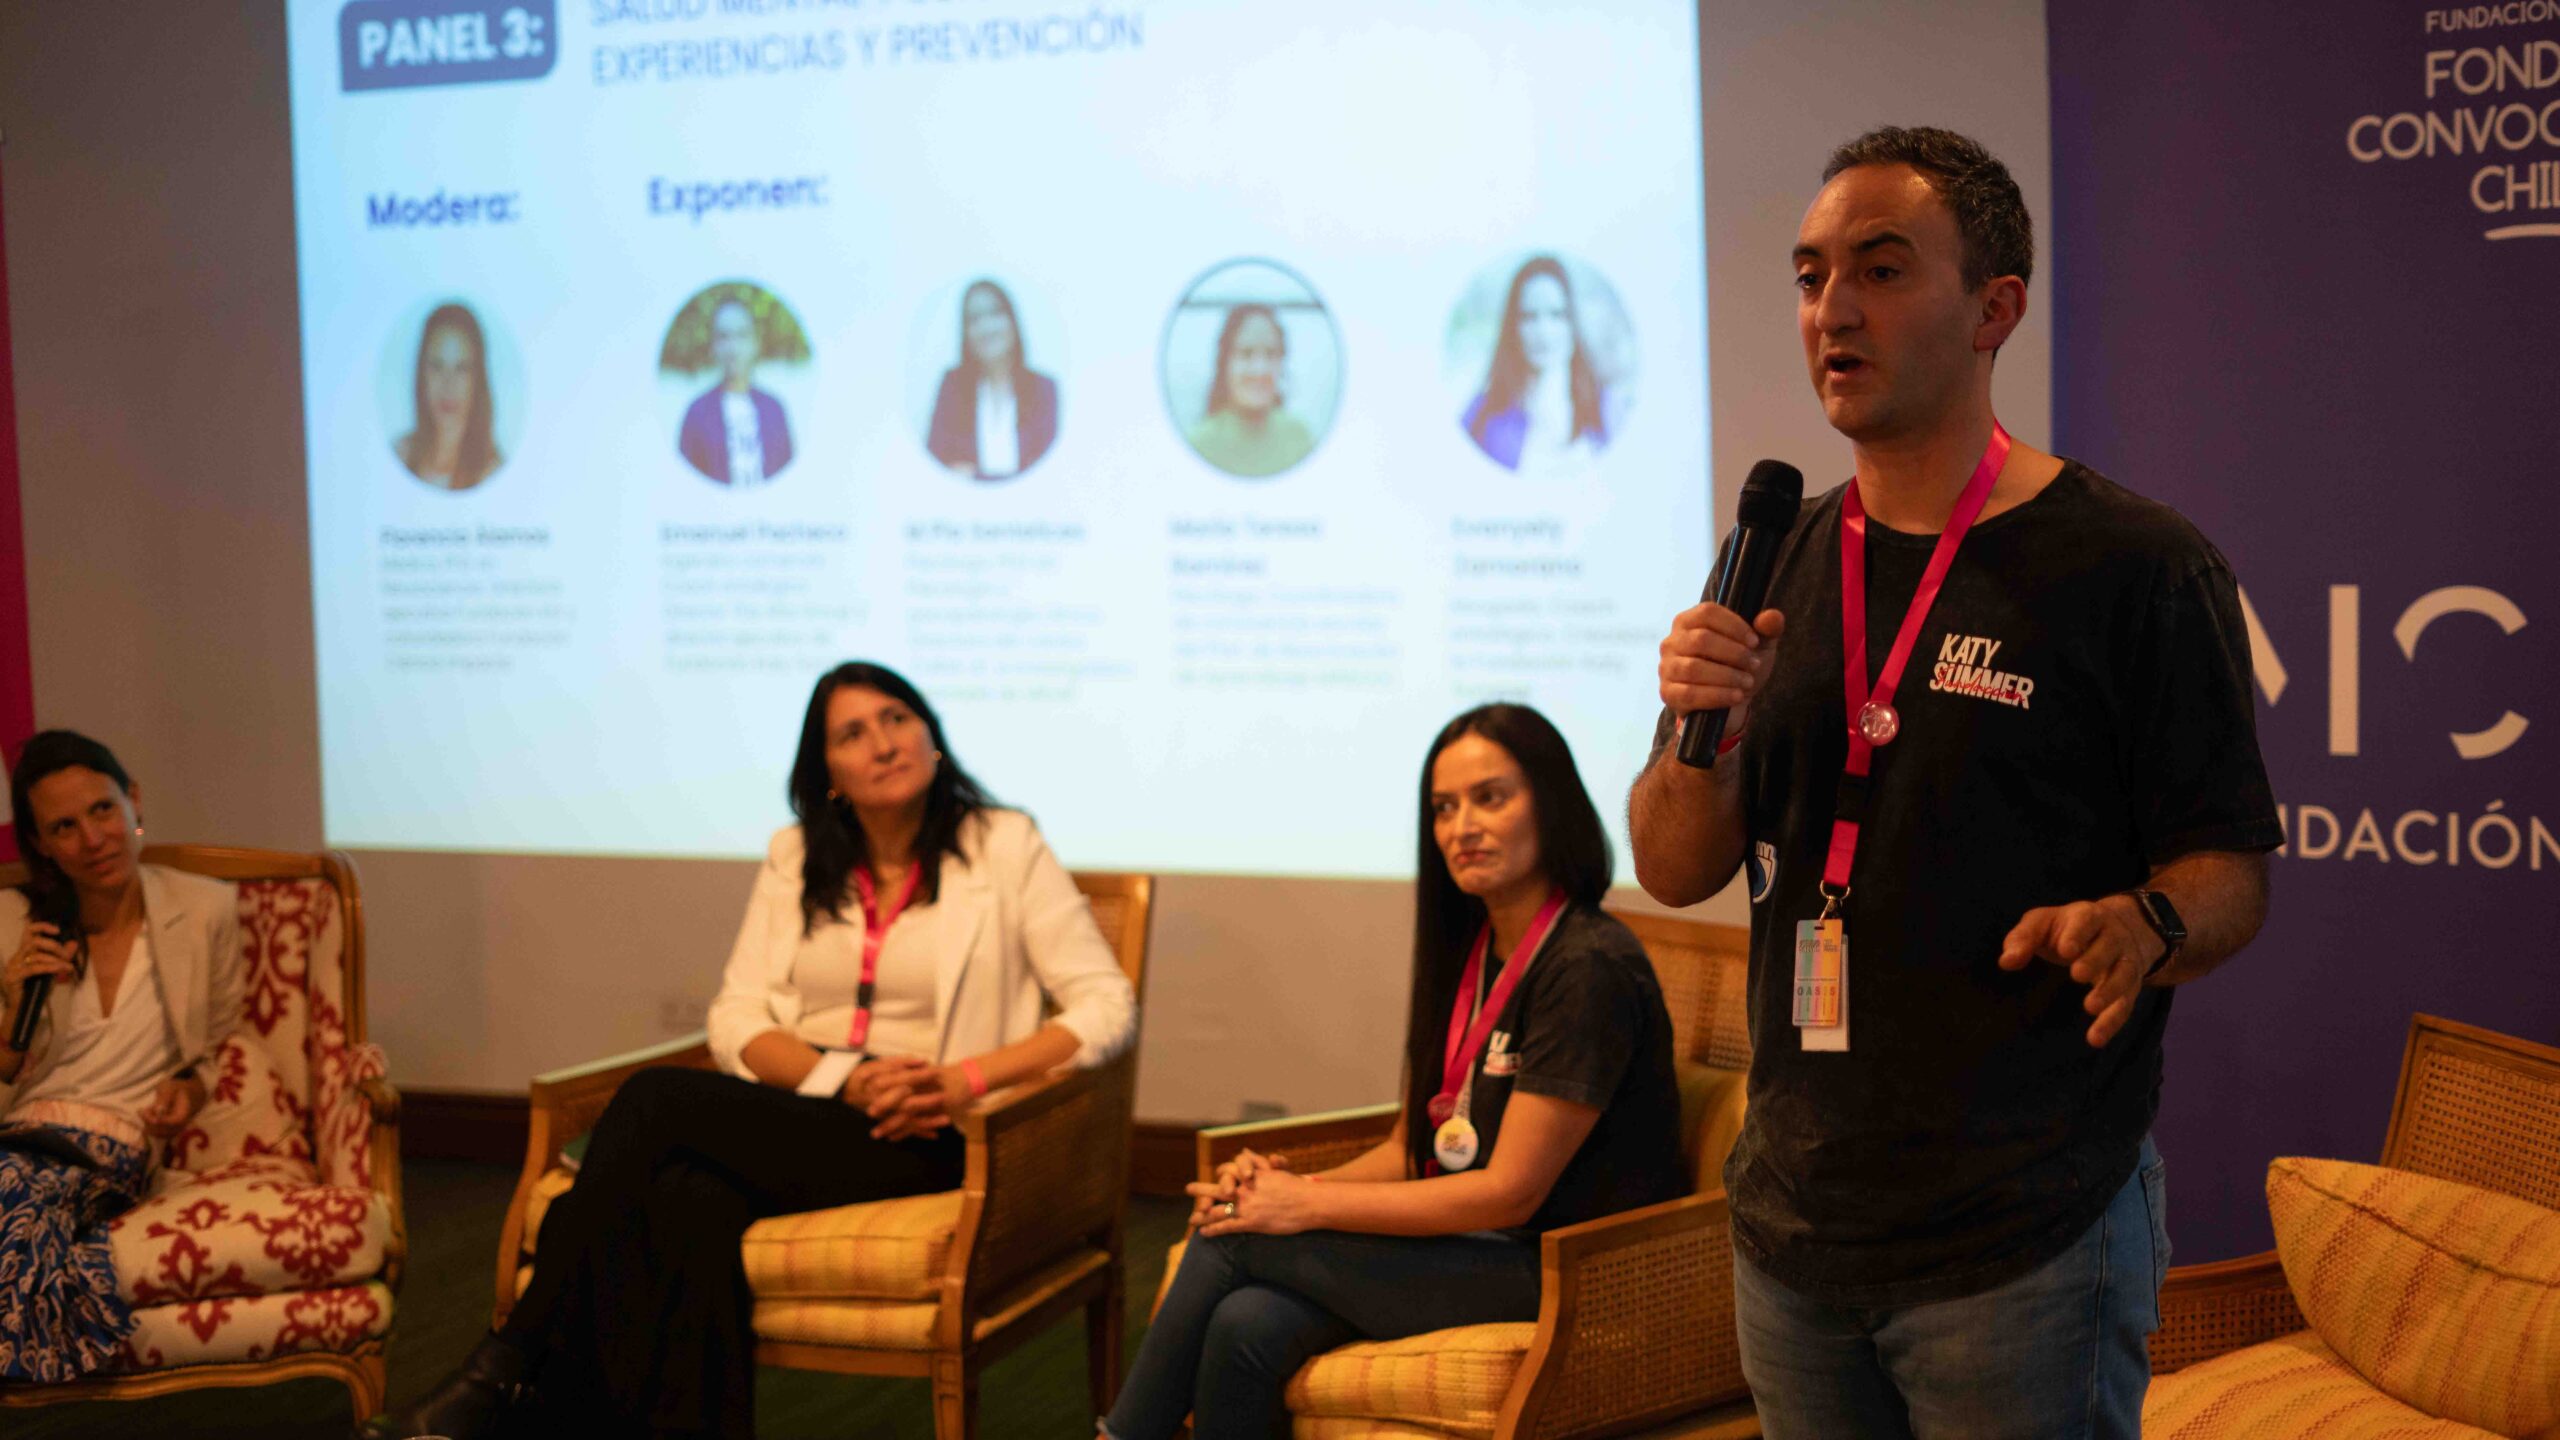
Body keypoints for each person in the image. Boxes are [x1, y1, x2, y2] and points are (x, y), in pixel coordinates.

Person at [1628, 126, 2279, 1439]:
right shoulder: (1773, 557)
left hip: (2022, 1239)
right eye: (1810, 276)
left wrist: (2142, 923)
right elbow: (1673, 863)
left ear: (1995, 310)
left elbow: (2229, 871)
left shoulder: (2136, 568)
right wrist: (1706, 731)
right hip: (1792, 1229)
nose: (1832, 310)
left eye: (1880, 270)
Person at [360, 661, 1137, 1440]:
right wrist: (844, 1080)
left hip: (931, 1125)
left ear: (931, 736)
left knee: (651, 1107)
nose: (884, 742)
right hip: (812, 1104)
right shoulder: (795, 855)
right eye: (853, 733)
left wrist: (963, 1079)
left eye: (898, 718)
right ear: (826, 773)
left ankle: (504, 1368)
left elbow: (1107, 1004)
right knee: (686, 1204)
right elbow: (736, 1017)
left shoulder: (1004, 843)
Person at [1102, 703, 1684, 1440]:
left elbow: (1511, 1194)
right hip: (1480, 1250)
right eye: (1444, 808)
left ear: (1552, 804)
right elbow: (1410, 1149)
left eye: (1490, 798)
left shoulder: (1589, 965)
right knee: (1246, 1322)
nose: (1462, 826)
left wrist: (1300, 1207)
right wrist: (1282, 1191)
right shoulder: (1469, 951)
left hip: (1568, 1269)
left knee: (1233, 1240)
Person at [0, 730, 241, 1383]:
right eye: (64, 827)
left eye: (102, 809)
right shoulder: (10, 921)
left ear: (133, 800)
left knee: (13, 1196)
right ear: (41, 844)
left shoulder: (205, 908)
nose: (92, 839)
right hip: (19, 1134)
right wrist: (14, 1010)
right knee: (17, 1201)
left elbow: (217, 1045)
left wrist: (189, 1091)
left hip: (112, 1143)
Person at [1461, 256, 1618, 473]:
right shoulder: (1481, 415)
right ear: (1513, 327)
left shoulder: (1607, 409)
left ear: (1572, 322)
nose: (1544, 332)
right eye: (1529, 317)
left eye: (1557, 314)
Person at [926, 279, 1060, 480]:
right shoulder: (952, 388)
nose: (986, 327)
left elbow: (1050, 473)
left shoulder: (1043, 389)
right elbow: (935, 467)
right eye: (974, 319)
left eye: (995, 313)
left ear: (1012, 320)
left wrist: (973, 475)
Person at [1183, 303, 1317, 478]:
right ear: (1225, 363)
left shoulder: (1300, 438)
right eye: (1246, 353)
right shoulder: (1198, 444)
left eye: (1270, 354)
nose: (1259, 370)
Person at [677, 298, 795, 486]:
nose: (733, 349)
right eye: (724, 337)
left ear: (755, 343)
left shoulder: (774, 410)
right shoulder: (697, 413)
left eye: (742, 335)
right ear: (713, 346)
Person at [394, 302, 502, 491]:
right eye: (437, 366)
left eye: (461, 368)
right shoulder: (399, 456)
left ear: (477, 379)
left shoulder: (494, 473)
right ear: (422, 374)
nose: (448, 385)